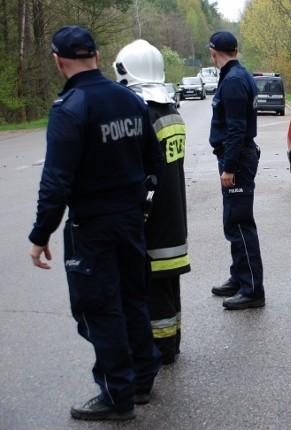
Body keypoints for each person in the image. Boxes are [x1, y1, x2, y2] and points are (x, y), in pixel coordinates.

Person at [28, 26, 165, 421]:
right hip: (130, 222)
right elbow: (154, 165)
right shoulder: (130, 99)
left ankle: (116, 395)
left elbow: (56, 180)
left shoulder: (71, 107)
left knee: (99, 307)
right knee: (132, 299)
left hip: (92, 227)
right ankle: (141, 379)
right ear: (97, 56)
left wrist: (40, 235)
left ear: (58, 60)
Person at [114, 39, 190, 365]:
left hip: (152, 220)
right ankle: (171, 341)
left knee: (155, 289)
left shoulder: (143, 114)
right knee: (168, 288)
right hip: (174, 215)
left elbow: (139, 171)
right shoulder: (170, 110)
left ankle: (162, 350)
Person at [208, 31, 265, 309]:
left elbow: (236, 128)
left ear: (213, 51)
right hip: (240, 156)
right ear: (236, 49)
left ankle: (252, 289)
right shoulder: (239, 75)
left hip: (238, 160)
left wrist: (229, 167)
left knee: (240, 224)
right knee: (233, 221)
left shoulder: (232, 81)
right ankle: (239, 276)